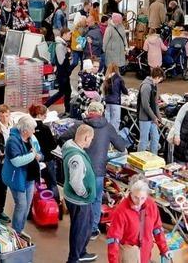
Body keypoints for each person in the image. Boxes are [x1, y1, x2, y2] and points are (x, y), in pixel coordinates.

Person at [59, 101, 126, 240]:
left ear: (89, 112)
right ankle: (93, 229)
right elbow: (121, 147)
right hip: (98, 169)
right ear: (101, 112)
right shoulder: (108, 127)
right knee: (95, 199)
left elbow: (62, 137)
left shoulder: (80, 126)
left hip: (79, 167)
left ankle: (80, 228)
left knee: (81, 199)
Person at [107, 177, 170, 263]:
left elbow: (157, 229)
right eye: (136, 197)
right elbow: (113, 238)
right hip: (129, 254)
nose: (139, 202)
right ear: (130, 193)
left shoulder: (151, 205)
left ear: (147, 195)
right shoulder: (121, 211)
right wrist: (113, 261)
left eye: (143, 198)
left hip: (146, 252)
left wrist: (164, 249)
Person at [62, 124, 97, 263]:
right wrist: (84, 194)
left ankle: (81, 252)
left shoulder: (70, 147)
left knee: (85, 227)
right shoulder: (77, 158)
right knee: (79, 229)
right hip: (79, 200)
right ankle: (74, 258)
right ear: (86, 137)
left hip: (79, 199)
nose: (91, 141)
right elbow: (75, 182)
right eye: (91, 139)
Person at [1, 115, 42, 233]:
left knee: (27, 206)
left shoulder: (32, 138)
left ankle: (20, 229)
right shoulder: (12, 141)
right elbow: (17, 161)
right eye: (32, 129)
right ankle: (16, 232)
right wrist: (32, 155)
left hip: (30, 178)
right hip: (17, 179)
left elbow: (39, 152)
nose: (34, 131)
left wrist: (39, 156)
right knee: (21, 205)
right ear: (24, 131)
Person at [30, 104, 61, 210]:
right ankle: (57, 207)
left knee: (31, 186)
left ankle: (30, 210)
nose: (45, 118)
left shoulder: (28, 128)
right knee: (52, 182)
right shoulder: (45, 129)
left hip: (32, 161)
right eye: (45, 115)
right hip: (47, 159)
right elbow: (53, 145)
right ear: (39, 115)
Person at [44, 28, 73, 114]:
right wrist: (68, 55)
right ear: (64, 34)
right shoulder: (60, 46)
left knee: (67, 92)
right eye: (69, 34)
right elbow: (61, 61)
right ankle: (45, 106)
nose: (70, 36)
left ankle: (67, 110)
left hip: (64, 73)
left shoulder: (63, 44)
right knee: (62, 92)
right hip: (62, 73)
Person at [137, 67, 164, 154]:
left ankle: (154, 158)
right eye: (160, 79)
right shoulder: (146, 86)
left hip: (152, 118)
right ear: (156, 77)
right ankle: (139, 158)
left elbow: (155, 103)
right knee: (144, 141)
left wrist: (159, 117)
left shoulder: (154, 86)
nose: (160, 81)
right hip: (145, 118)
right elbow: (145, 105)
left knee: (155, 138)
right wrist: (154, 118)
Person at [103, 63, 128, 132]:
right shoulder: (119, 78)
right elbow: (124, 91)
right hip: (115, 102)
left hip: (107, 102)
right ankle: (114, 139)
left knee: (107, 121)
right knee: (115, 123)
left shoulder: (106, 78)